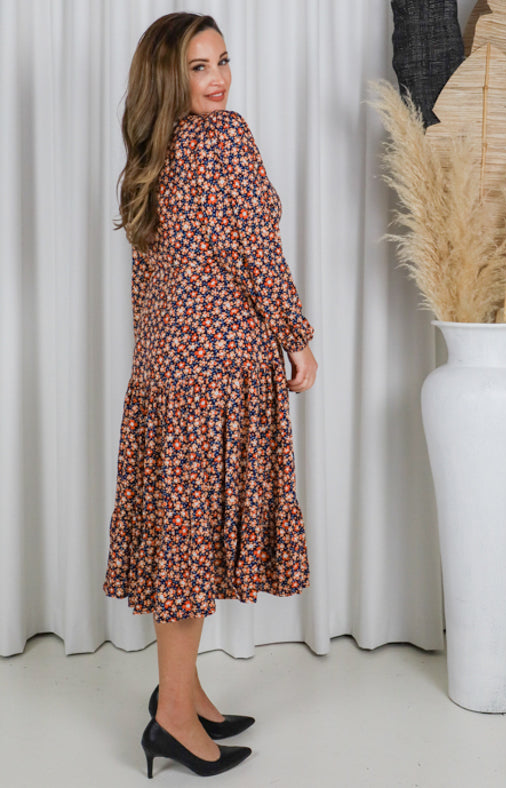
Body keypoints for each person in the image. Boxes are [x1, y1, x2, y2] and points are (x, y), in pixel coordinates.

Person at [103, 12, 317, 779]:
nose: (219, 76)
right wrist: (296, 337)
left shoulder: (149, 155)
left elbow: (148, 284)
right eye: (199, 66)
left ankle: (187, 693)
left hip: (166, 375)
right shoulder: (226, 141)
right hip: (217, 374)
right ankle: (170, 718)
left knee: (181, 539)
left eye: (223, 59)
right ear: (170, 76)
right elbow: (258, 250)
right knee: (193, 549)